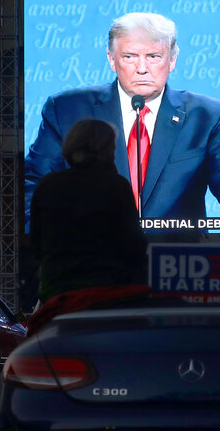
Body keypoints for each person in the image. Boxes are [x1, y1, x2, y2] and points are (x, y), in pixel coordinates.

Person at [24, 12, 220, 223]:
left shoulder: (205, 115)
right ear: (111, 60)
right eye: (129, 57)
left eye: (154, 56)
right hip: (91, 260)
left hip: (178, 260)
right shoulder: (66, 109)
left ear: (172, 59)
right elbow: (34, 186)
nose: (142, 68)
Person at [28, 119, 148, 303]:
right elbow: (134, 245)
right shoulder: (116, 186)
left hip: (59, 294)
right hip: (108, 295)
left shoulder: (47, 185)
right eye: (113, 147)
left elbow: (36, 244)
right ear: (107, 149)